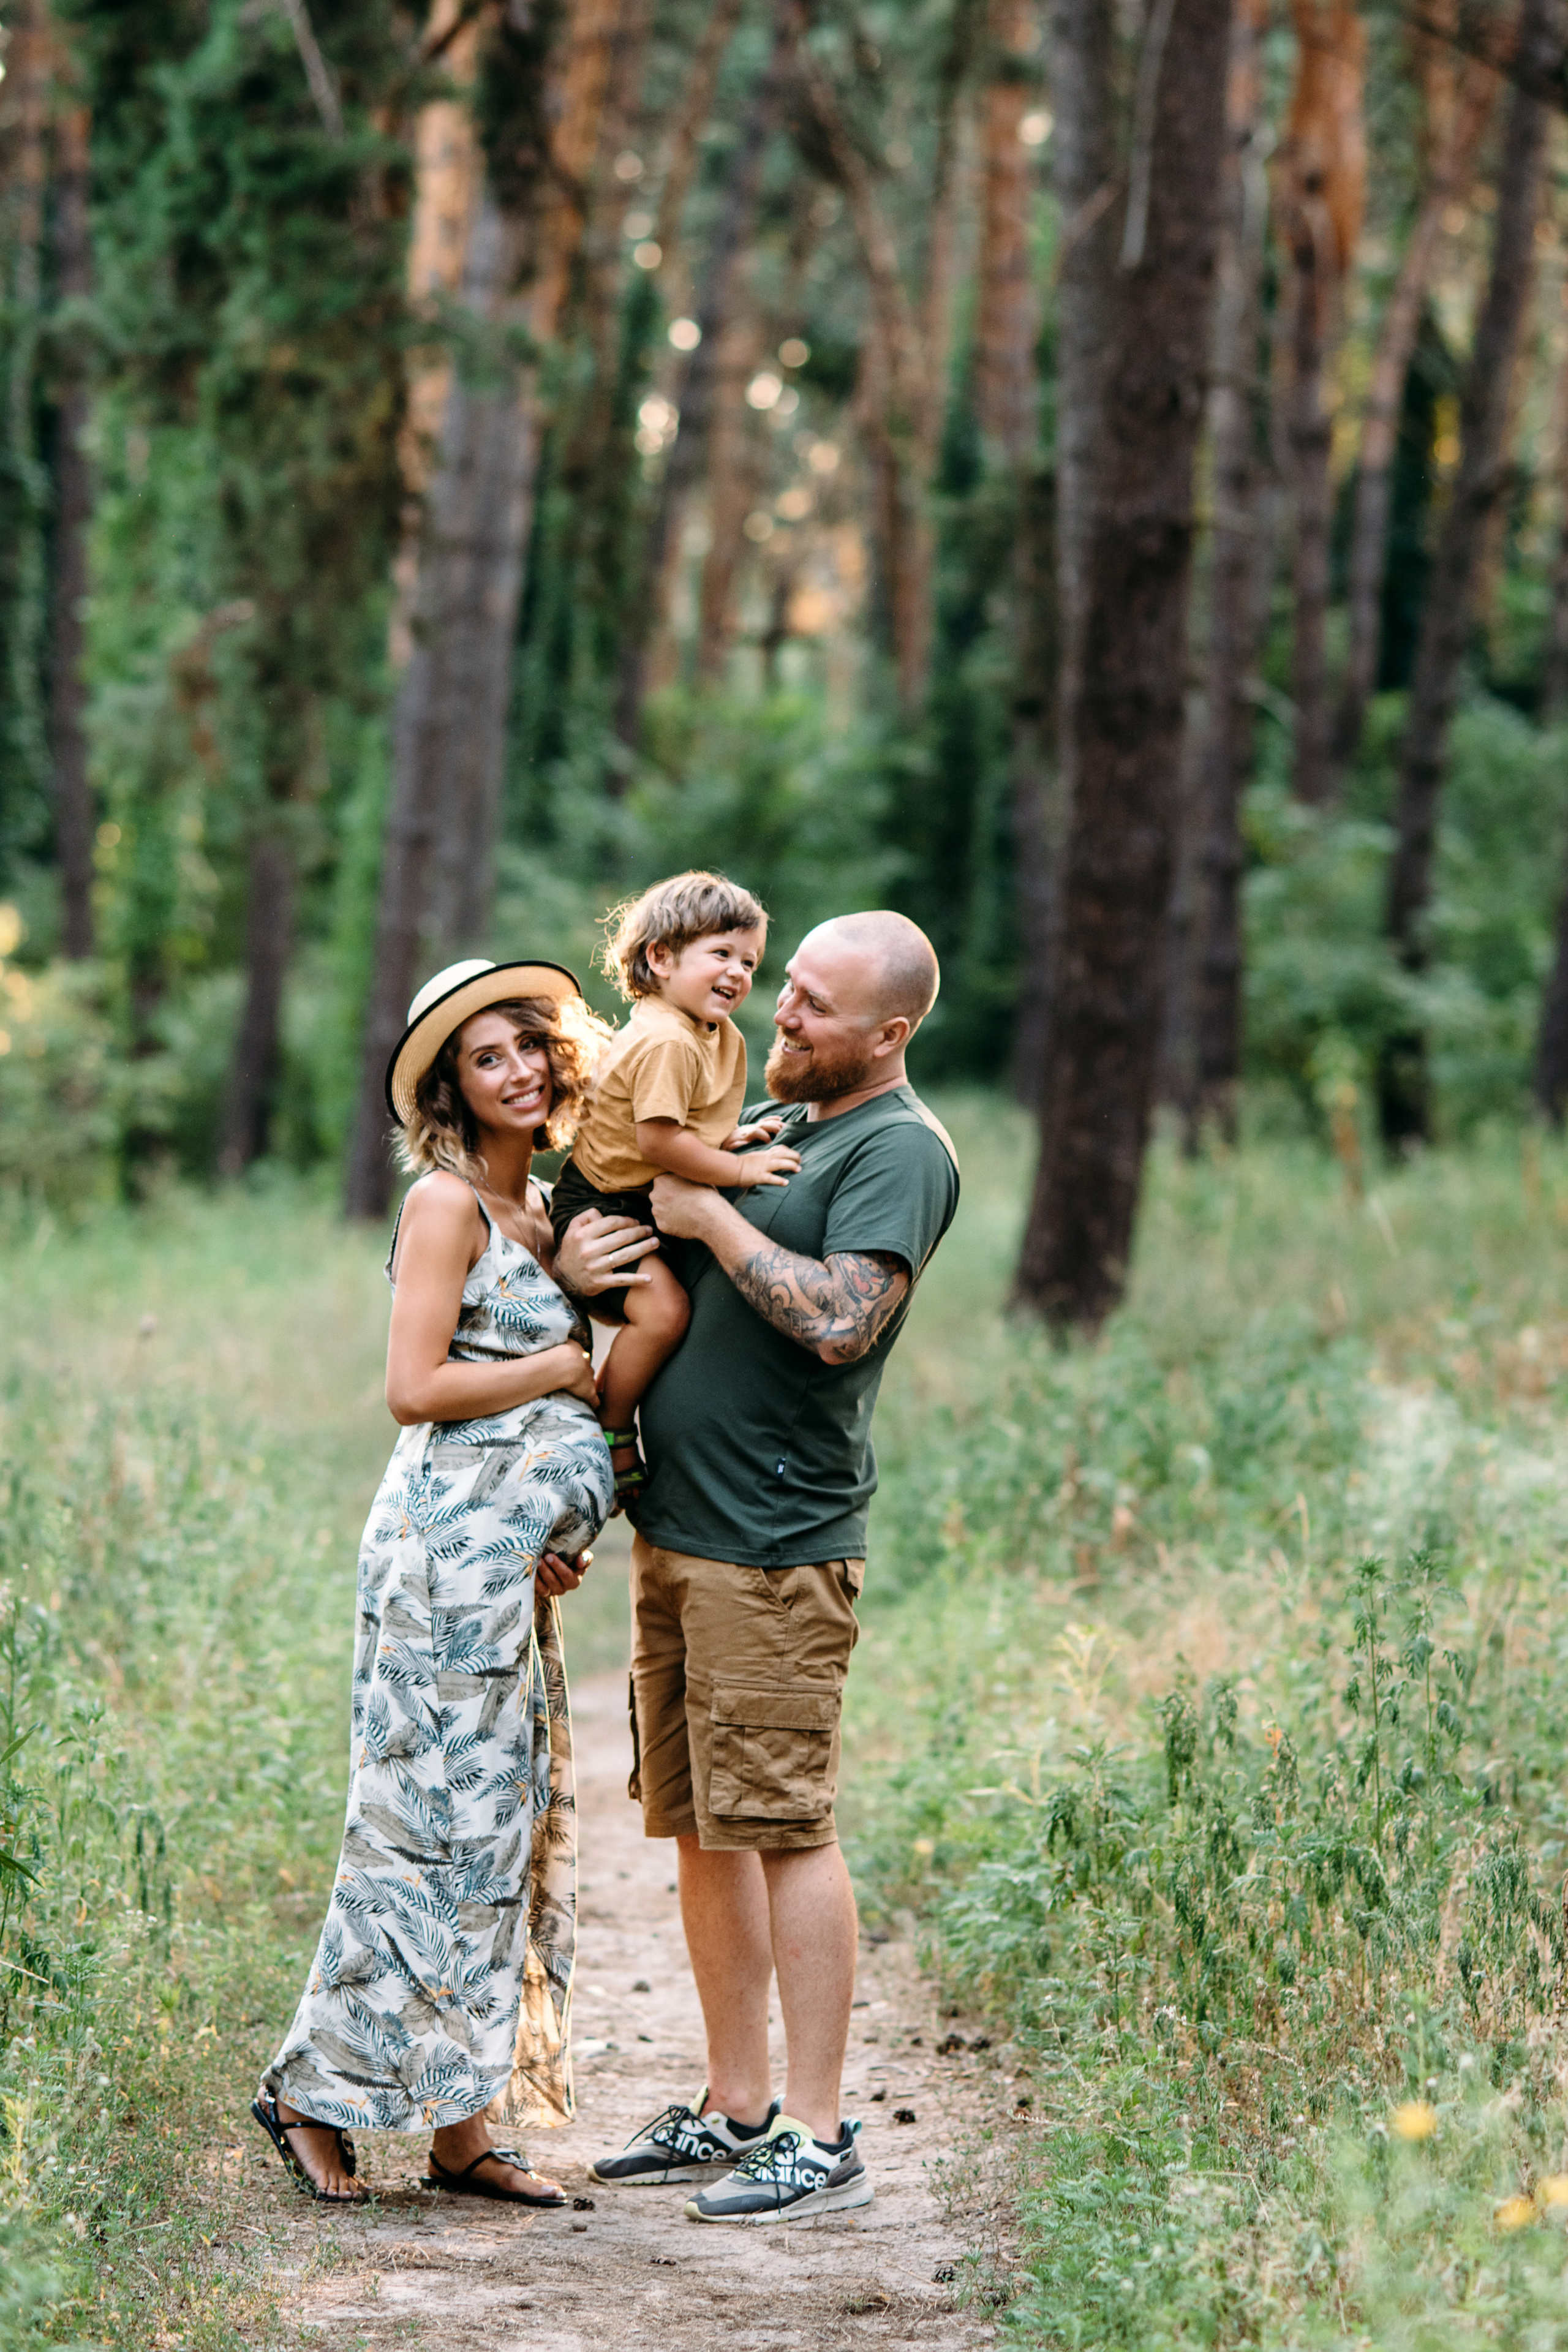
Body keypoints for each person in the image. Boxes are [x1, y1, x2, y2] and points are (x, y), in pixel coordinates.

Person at [251, 957, 652, 2207]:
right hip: (432, 1565)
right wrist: (553, 1376)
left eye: (530, 1044)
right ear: (447, 1088)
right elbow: (415, 1391)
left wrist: (560, 1521)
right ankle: (305, 2095)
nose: (520, 1068)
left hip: (500, 1569)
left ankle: (459, 2130)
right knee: (414, 1831)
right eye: (487, 1057)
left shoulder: (540, 1206)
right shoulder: (444, 1209)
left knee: (499, 1831)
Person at [579, 911, 959, 2223]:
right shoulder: (776, 1125)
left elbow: (843, 1322)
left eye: (810, 1005)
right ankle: (733, 2104)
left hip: (777, 1544)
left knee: (786, 1826)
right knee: (699, 1821)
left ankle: (817, 2128)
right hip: (680, 1530)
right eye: (784, 987)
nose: (777, 1013)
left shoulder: (897, 1149)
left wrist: (711, 1221)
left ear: (886, 1035)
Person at [548, 870, 801, 1511]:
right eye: (720, 955)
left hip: (642, 1189)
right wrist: (738, 1171)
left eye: (749, 961)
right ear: (660, 958)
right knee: (665, 1313)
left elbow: (683, 1128)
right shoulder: (666, 1039)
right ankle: (609, 1423)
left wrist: (727, 1141)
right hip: (602, 1202)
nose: (739, 973)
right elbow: (659, 1143)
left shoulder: (713, 1035)